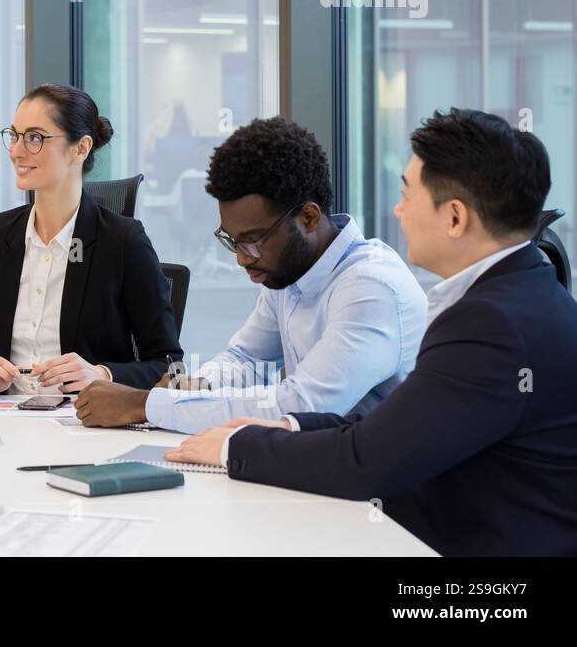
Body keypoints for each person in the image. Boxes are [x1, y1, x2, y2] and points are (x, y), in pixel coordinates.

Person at [168, 109, 577, 556]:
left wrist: (235, 444)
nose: (398, 210)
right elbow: (392, 428)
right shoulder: (514, 296)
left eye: (407, 194)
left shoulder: (490, 324)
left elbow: (366, 461)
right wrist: (286, 425)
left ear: (455, 218)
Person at [76, 116, 426, 433]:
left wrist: (143, 405)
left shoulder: (370, 288)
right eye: (233, 241)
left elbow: (297, 405)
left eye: (254, 241)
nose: (243, 259)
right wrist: (191, 386)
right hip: (321, 462)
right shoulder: (290, 271)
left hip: (376, 494)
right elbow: (247, 360)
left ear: (307, 218)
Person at [0, 84, 181, 397]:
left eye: (35, 138)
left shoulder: (123, 242)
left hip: (85, 425)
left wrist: (101, 374)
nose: (16, 150)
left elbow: (170, 366)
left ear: (80, 148)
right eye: (14, 135)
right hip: (6, 423)